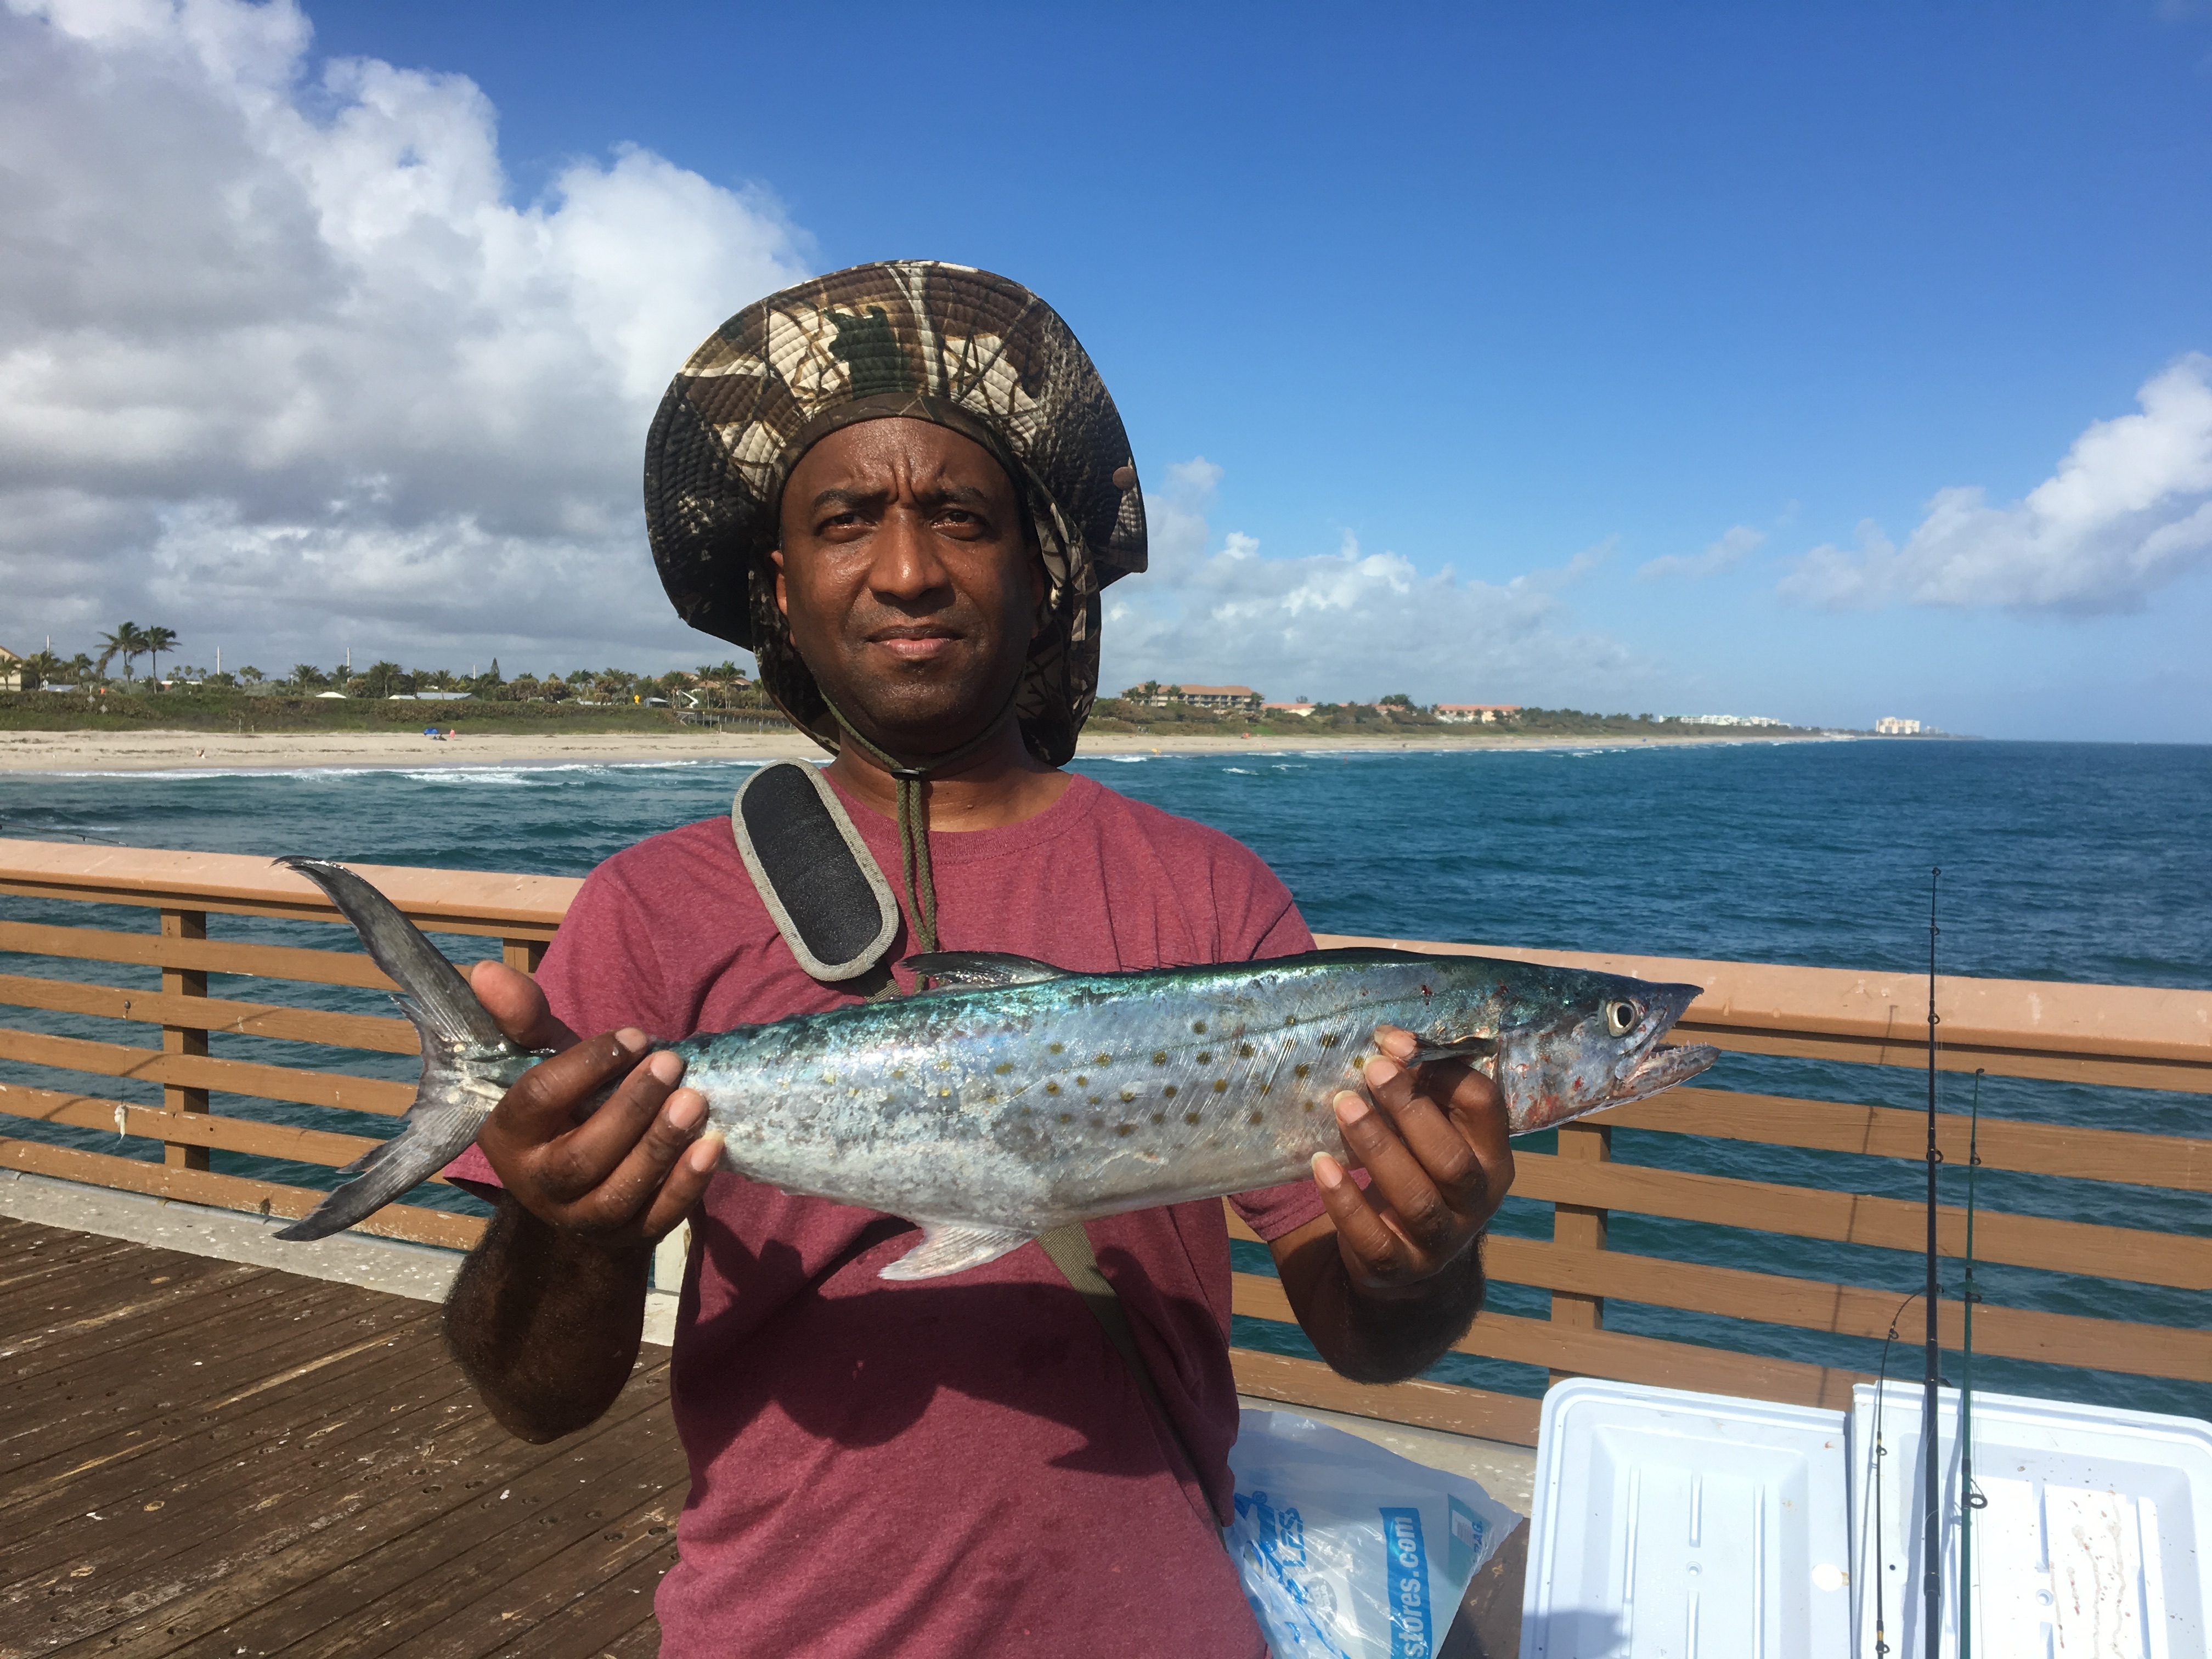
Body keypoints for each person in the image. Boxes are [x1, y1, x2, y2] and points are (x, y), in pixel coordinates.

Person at [439, 263, 1514, 1657]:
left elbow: (1366, 1334)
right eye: (846, 522)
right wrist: (556, 1228)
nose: (905, 568)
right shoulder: (656, 908)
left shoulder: (1210, 895)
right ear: (784, 579)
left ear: (1034, 565)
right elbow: (534, 1395)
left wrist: (1425, 1256)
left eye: (960, 515)